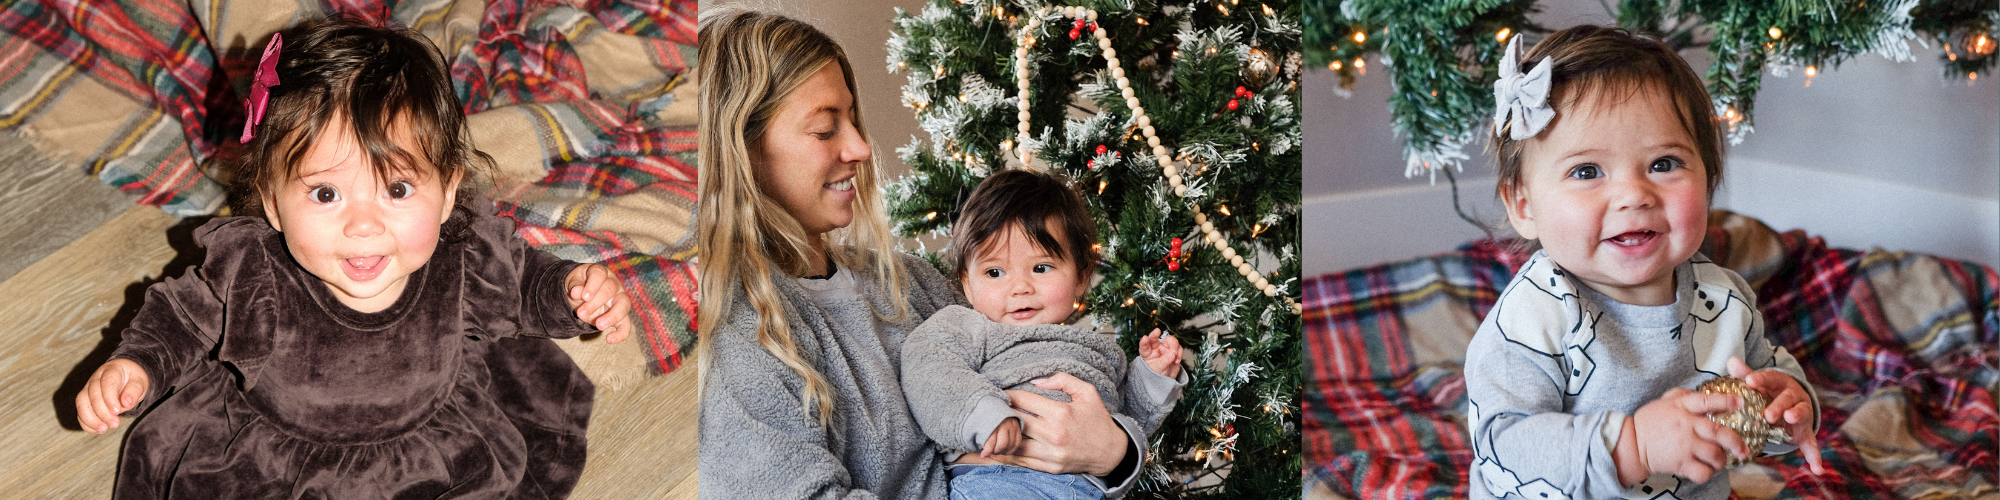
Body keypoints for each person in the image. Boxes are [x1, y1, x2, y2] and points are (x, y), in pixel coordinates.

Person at [70, 18, 631, 499]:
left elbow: (524, 282)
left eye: (397, 189)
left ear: (447, 193)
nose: (363, 225)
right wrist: (137, 365)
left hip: (432, 451)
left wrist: (573, 293)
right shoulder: (251, 271)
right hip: (272, 462)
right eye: (325, 193)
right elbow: (182, 317)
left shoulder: (464, 254)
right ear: (272, 203)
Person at [697, 8, 1153, 499]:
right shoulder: (737, 334)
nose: (861, 148)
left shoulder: (911, 283)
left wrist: (1114, 454)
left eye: (853, 120)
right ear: (741, 150)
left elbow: (1032, 383)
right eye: (826, 129)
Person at [1463, 26, 1825, 500]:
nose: (1634, 195)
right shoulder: (1532, 319)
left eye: (1663, 164)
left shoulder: (1723, 300)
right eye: (1587, 171)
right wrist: (1633, 446)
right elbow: (1505, 445)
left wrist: (1787, 407)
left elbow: (1764, 386)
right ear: (1524, 205)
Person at [900, 170, 1185, 500]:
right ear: (967, 283)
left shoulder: (1100, 353)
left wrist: (1153, 377)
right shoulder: (965, 327)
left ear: (1081, 276)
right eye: (995, 272)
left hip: (1084, 490)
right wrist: (983, 414)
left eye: (1040, 268)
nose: (1020, 287)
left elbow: (1125, 421)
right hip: (996, 481)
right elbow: (928, 371)